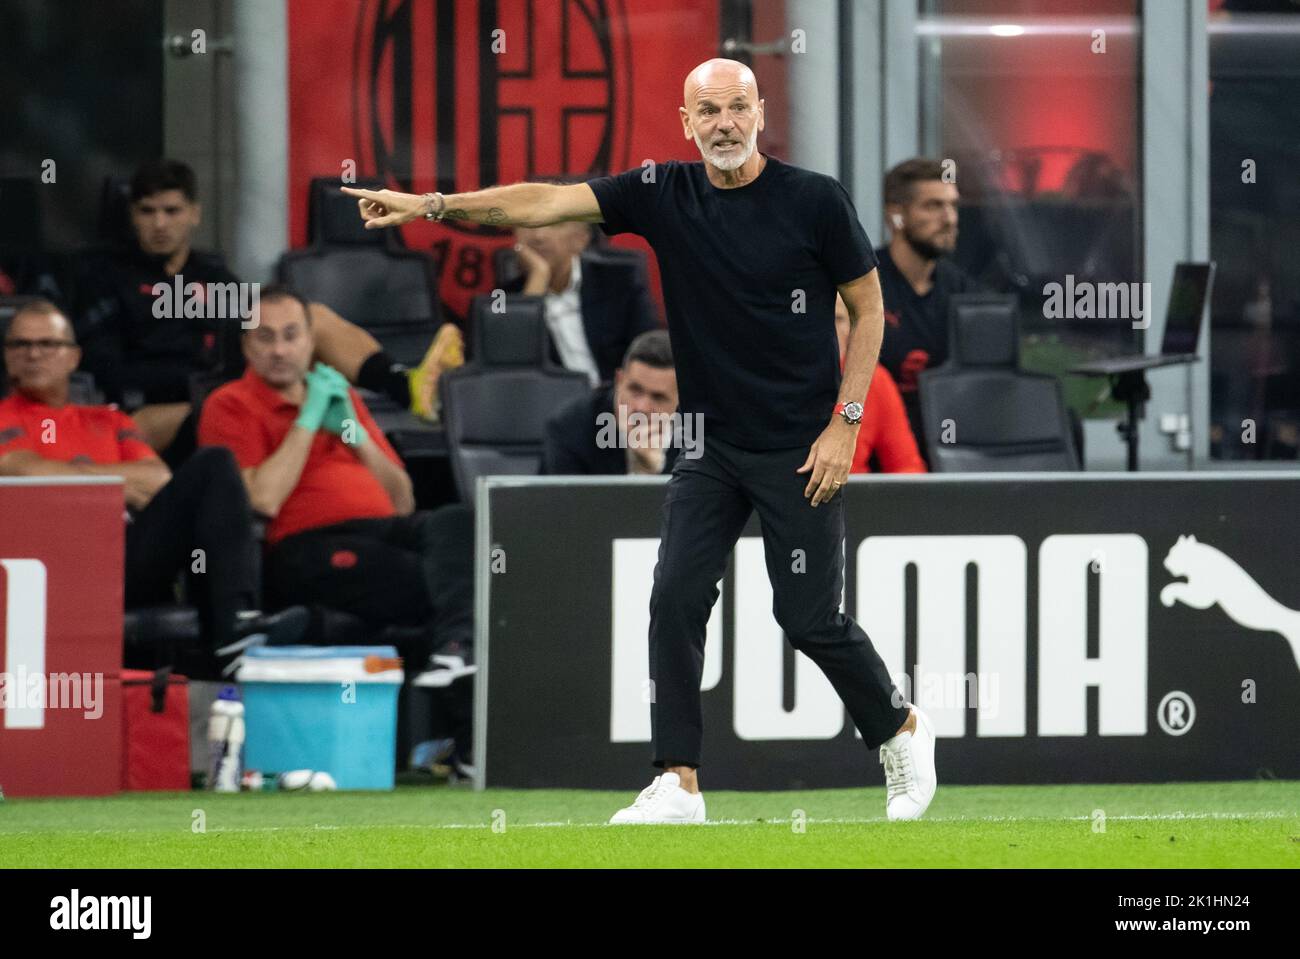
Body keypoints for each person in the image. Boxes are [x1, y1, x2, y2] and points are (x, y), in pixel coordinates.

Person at [342, 58, 938, 823]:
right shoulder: (662, 192)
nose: (725, 123)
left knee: (809, 618)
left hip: (799, 445)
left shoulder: (815, 200)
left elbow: (870, 311)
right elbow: (545, 201)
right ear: (685, 123)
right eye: (709, 111)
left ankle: (900, 727)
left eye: (738, 107)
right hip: (711, 444)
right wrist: (431, 203)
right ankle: (678, 781)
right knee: (674, 596)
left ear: (759, 114)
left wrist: (843, 425)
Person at [72, 160, 461, 468]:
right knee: (142, 425)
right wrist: (197, 376)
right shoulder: (104, 276)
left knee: (311, 317)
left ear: (193, 214)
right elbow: (104, 369)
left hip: (223, 391)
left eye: (171, 211)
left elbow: (256, 331)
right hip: (154, 408)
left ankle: (408, 388)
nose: (160, 223)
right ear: (133, 216)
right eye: (148, 211)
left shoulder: (212, 274)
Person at [0, 301, 305, 673]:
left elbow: (158, 481)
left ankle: (236, 629)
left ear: (73, 358)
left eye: (47, 344)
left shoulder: (109, 420)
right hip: (49, 568)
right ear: (8, 358)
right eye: (20, 345)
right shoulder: (5, 416)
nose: (33, 354)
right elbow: (19, 469)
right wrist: (116, 479)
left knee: (215, 464)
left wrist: (71, 475)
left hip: (125, 559)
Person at [196, 287, 475, 692]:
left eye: (291, 336)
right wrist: (307, 420)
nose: (279, 350)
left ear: (311, 342)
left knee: (457, 522)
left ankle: (454, 650)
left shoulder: (335, 393)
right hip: (304, 545)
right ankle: (452, 654)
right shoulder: (231, 404)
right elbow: (263, 500)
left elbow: (402, 500)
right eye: (265, 337)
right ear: (247, 347)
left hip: (381, 530)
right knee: (437, 579)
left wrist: (353, 431)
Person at [503, 176, 659, 386]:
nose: (538, 236)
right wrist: (537, 282)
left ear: (581, 239)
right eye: (528, 222)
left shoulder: (620, 282)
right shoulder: (505, 300)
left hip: (619, 403)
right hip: (554, 409)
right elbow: (508, 371)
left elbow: (651, 355)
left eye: (552, 224)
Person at [873, 158, 981, 458]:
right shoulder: (861, 284)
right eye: (933, 206)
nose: (949, 219)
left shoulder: (965, 292)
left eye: (953, 206)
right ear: (896, 215)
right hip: (880, 435)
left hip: (950, 430)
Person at [543, 330, 681, 476]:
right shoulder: (569, 426)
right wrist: (642, 474)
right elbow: (563, 498)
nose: (641, 407)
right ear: (619, 380)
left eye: (658, 397)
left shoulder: (698, 432)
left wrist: (651, 473)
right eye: (635, 390)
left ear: (681, 399)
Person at [832, 294, 926, 474]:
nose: (828, 330)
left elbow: (907, 468)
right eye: (818, 319)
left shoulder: (875, 379)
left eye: (837, 319)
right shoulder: (774, 374)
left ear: (851, 329)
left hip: (852, 496)